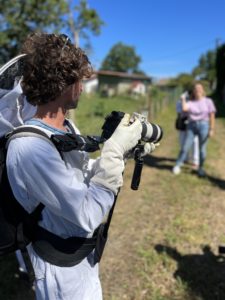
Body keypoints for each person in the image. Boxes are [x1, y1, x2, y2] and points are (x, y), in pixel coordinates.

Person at [5, 32, 144, 300]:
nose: (81, 87)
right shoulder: (28, 147)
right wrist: (113, 153)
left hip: (82, 253)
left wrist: (120, 153)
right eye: (79, 80)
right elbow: (87, 213)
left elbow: (78, 178)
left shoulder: (62, 128)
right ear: (65, 83)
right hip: (61, 267)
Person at [172, 83, 216, 177]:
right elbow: (184, 108)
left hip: (204, 126)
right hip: (191, 126)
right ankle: (178, 165)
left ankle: (200, 168)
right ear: (194, 92)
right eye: (196, 89)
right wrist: (183, 98)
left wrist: (211, 129)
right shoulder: (191, 102)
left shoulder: (208, 101)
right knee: (185, 147)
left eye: (200, 88)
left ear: (203, 90)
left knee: (202, 149)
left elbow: (212, 115)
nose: (198, 90)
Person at [175, 92, 199, 169]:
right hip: (183, 124)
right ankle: (185, 158)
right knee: (182, 142)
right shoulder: (179, 102)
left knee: (195, 142)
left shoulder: (195, 102)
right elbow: (181, 111)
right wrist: (183, 101)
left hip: (193, 124)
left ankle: (195, 161)